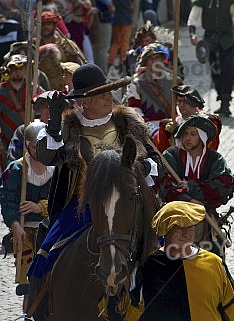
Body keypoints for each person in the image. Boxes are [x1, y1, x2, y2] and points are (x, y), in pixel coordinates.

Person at [27, 64, 161, 314]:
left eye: (109, 92)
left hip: (127, 202)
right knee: (47, 251)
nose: (109, 97)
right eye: (101, 94)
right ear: (84, 102)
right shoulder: (69, 129)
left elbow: (157, 162)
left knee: (163, 247)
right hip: (82, 206)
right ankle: (37, 307)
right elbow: (46, 156)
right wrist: (53, 125)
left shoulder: (127, 122)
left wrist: (139, 167)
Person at [141, 201, 234, 320]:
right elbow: (134, 311)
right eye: (178, 227)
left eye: (190, 226)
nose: (185, 233)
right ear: (165, 229)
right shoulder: (148, 266)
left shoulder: (213, 263)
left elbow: (231, 306)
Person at [0, 121, 54, 309]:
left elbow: (63, 199)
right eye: (34, 147)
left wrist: (41, 207)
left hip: (51, 232)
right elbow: (7, 200)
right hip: (26, 233)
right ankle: (28, 314)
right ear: (28, 146)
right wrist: (15, 225)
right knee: (29, 285)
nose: (38, 151)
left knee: (53, 279)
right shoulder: (16, 170)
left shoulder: (57, 168)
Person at [188, 0, 234, 116]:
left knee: (229, 70)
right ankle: (221, 96)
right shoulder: (202, 0)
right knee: (215, 72)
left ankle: (226, 102)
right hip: (210, 42)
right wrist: (192, 34)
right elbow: (192, 19)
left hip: (226, 40)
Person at [159, 115, 234, 210]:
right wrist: (189, 200)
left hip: (205, 210)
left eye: (193, 134)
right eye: (185, 134)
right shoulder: (171, 155)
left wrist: (191, 187)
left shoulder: (214, 159)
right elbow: (166, 185)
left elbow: (224, 185)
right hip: (175, 209)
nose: (187, 138)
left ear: (202, 137)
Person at [153, 84, 222, 153]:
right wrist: (167, 135)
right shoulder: (172, 123)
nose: (182, 105)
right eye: (179, 101)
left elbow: (205, 148)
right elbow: (161, 150)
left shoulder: (207, 122)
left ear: (194, 103)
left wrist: (178, 131)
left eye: (186, 102)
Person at [126, 43, 176, 137]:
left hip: (173, 125)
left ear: (162, 60)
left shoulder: (173, 80)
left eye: (158, 58)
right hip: (148, 129)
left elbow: (182, 105)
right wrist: (153, 130)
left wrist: (177, 121)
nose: (155, 61)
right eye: (151, 59)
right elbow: (135, 111)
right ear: (146, 62)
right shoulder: (135, 84)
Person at [7, 91, 54, 164]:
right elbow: (13, 158)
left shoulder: (63, 133)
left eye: (55, 108)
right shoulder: (23, 131)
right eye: (47, 107)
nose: (50, 111)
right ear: (41, 108)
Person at [107, 0, 133, 70]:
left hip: (115, 20)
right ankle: (123, 61)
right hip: (125, 20)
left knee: (116, 41)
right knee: (125, 41)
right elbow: (129, 6)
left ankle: (110, 60)